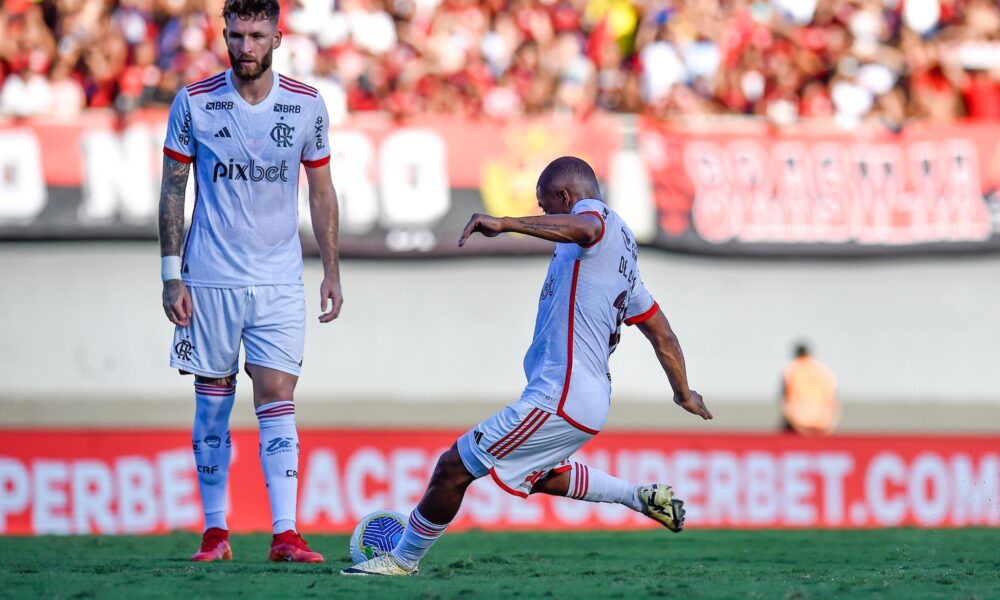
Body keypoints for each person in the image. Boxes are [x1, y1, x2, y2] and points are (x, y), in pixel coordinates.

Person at [342, 156, 712, 576]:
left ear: (566, 197)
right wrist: (682, 391)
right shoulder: (623, 257)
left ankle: (402, 560)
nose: (543, 216)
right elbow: (660, 331)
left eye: (545, 206)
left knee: (454, 466)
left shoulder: (595, 219)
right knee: (538, 475)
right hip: (583, 397)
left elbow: (587, 226)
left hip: (562, 394)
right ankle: (636, 496)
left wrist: (507, 223)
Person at [158, 0, 342, 563]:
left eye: (257, 36)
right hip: (208, 277)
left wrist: (331, 268)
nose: (245, 47)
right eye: (236, 36)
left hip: (280, 279)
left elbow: (321, 191)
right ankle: (216, 533)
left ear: (278, 38)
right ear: (224, 35)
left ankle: (285, 533)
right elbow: (172, 189)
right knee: (213, 402)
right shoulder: (194, 101)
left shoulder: (307, 106)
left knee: (278, 396)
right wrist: (170, 275)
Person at [781, 343, 838, 436]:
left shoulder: (792, 369)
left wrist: (794, 423)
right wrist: (831, 425)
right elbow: (834, 401)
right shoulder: (824, 371)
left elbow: (784, 401)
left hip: (797, 423)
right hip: (822, 423)